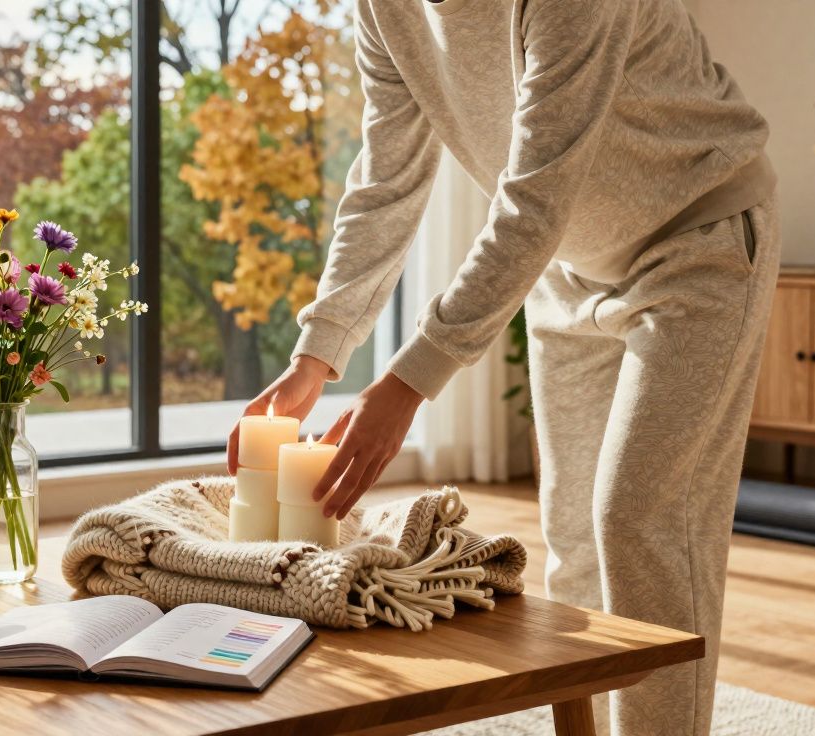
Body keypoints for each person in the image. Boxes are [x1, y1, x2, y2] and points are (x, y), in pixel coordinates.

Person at [226, 0, 779, 734]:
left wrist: (410, 382)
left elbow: (537, 194)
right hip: (564, 271)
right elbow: (386, 182)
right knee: (573, 538)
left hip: (698, 241)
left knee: (639, 520)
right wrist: (317, 353)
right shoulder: (384, 8)